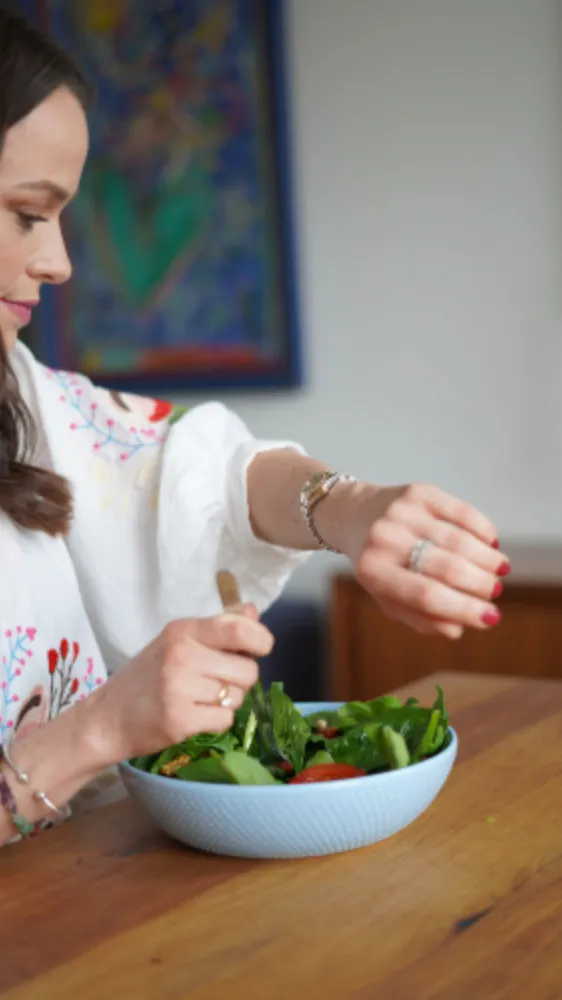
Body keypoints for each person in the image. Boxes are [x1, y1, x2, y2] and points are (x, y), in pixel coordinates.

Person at [0, 11, 509, 845]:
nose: (59, 262)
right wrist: (98, 731)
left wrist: (350, 508)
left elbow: (191, 469)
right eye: (28, 212)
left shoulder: (20, 396)